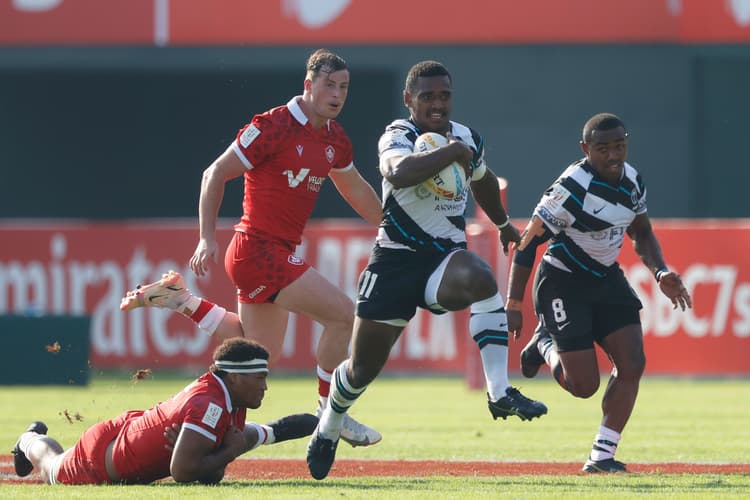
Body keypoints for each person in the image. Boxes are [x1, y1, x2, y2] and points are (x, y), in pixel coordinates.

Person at [119, 48, 383, 448]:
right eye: (329, 84)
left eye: (344, 86)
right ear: (308, 85)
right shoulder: (273, 126)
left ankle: (179, 300)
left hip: (268, 254)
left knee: (259, 356)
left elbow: (355, 190)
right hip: (258, 250)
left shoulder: (335, 140)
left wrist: (391, 227)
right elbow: (215, 173)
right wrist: (206, 236)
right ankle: (332, 413)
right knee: (344, 316)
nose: (337, 94)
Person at [306, 60, 548, 480]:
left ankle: (499, 391)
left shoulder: (468, 137)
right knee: (362, 368)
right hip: (395, 261)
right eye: (428, 96)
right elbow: (397, 174)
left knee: (481, 278)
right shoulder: (399, 135)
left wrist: (505, 224)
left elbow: (483, 180)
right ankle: (327, 427)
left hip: (443, 258)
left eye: (445, 96)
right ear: (408, 100)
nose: (438, 104)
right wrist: (450, 153)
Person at [504, 113, 693, 473]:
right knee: (584, 386)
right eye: (602, 149)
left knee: (633, 362)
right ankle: (543, 342)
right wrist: (514, 302)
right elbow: (527, 241)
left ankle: (601, 457)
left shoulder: (633, 181)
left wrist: (660, 270)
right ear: (585, 149)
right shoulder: (572, 187)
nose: (613, 155)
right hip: (562, 281)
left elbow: (641, 232)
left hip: (605, 279)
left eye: (619, 146)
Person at [10, 337, 318, 485]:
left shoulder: (227, 397)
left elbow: (209, 477)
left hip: (131, 435)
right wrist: (229, 450)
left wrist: (220, 453)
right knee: (51, 467)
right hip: (100, 461)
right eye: (260, 378)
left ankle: (286, 430)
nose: (265, 386)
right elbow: (183, 473)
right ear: (235, 376)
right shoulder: (211, 403)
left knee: (247, 438)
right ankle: (28, 439)